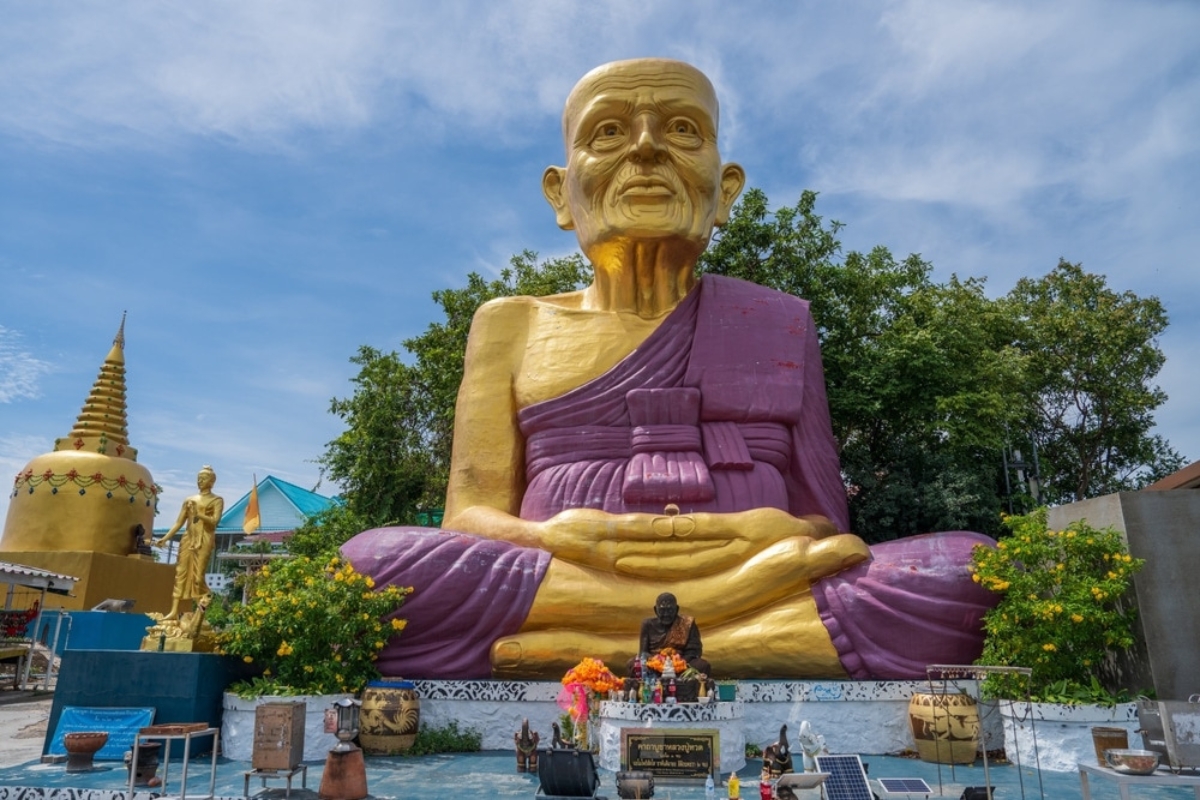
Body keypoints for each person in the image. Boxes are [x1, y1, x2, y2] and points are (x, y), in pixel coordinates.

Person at [342, 58, 998, 680]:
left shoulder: (780, 323)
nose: (648, 149)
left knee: (969, 570)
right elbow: (471, 518)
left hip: (730, 572)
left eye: (683, 129)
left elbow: (827, 525)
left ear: (725, 190)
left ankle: (580, 650)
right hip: (622, 576)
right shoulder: (511, 325)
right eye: (608, 131)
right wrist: (577, 539)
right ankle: (740, 643)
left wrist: (754, 535)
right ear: (560, 192)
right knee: (372, 567)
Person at [154, 465, 223, 620]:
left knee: (198, 578)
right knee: (181, 574)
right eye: (198, 478)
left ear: (211, 481)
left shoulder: (216, 500)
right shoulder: (189, 500)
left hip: (204, 538)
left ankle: (202, 607)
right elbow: (179, 523)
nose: (200, 481)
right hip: (188, 538)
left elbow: (214, 522)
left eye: (203, 479)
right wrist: (165, 538)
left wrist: (200, 514)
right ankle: (173, 612)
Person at [639, 593, 708, 675]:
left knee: (703, 665)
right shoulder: (647, 624)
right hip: (655, 664)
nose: (666, 614)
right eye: (662, 610)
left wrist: (678, 663)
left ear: (677, 609)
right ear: (655, 610)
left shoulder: (687, 624)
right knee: (632, 665)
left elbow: (694, 651)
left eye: (670, 610)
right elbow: (643, 652)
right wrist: (657, 661)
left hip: (681, 663)